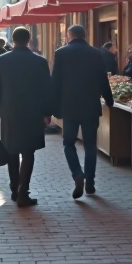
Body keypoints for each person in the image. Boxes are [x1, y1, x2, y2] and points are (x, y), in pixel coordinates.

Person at [0, 27, 52, 207]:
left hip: (9, 112)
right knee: (28, 152)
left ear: (12, 40)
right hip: (33, 112)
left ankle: (15, 188)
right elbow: (47, 89)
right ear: (29, 39)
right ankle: (23, 191)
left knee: (11, 150)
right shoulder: (39, 61)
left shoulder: (0, 61)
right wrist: (47, 112)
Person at [51, 26, 114, 199]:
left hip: (69, 107)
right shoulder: (96, 53)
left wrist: (53, 108)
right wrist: (109, 101)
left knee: (68, 143)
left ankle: (78, 174)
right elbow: (103, 79)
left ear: (68, 35)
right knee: (90, 145)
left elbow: (55, 81)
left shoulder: (61, 53)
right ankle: (91, 183)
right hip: (90, 106)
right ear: (84, 35)